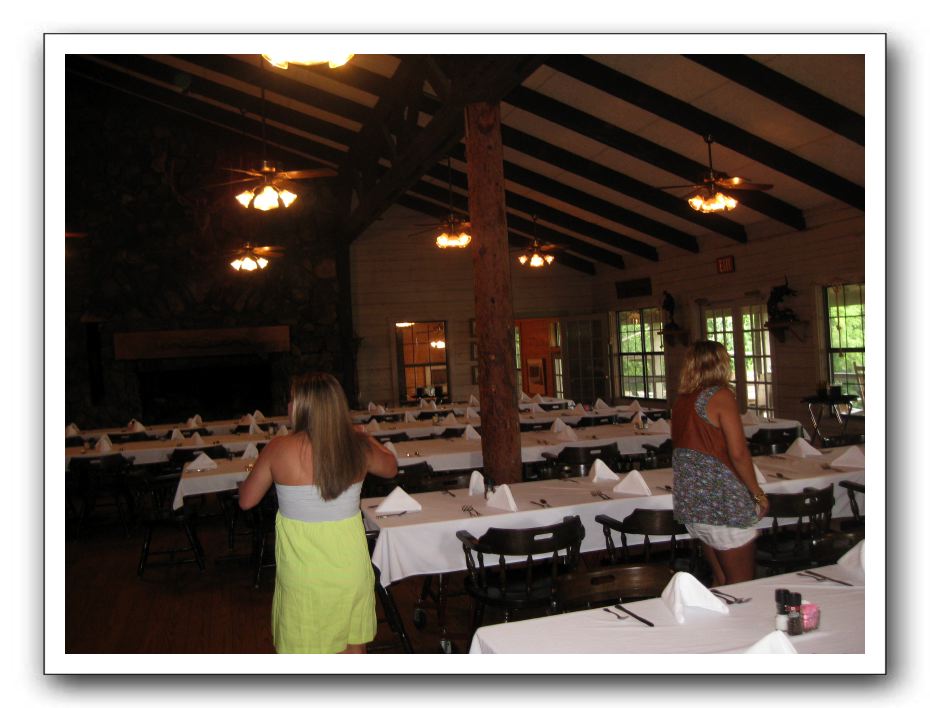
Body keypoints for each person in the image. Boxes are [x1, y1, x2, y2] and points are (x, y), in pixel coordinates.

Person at [238, 372, 398, 653]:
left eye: (292, 400)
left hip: (303, 575)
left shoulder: (278, 448)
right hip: (350, 569)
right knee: (352, 650)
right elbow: (391, 467)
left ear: (304, 406)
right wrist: (365, 436)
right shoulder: (357, 447)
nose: (288, 406)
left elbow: (246, 501)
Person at [671, 340, 770, 587]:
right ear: (722, 364)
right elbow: (739, 454)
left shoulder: (682, 401)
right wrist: (758, 494)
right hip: (722, 501)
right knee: (742, 585)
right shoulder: (721, 395)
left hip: (693, 502)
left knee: (721, 580)